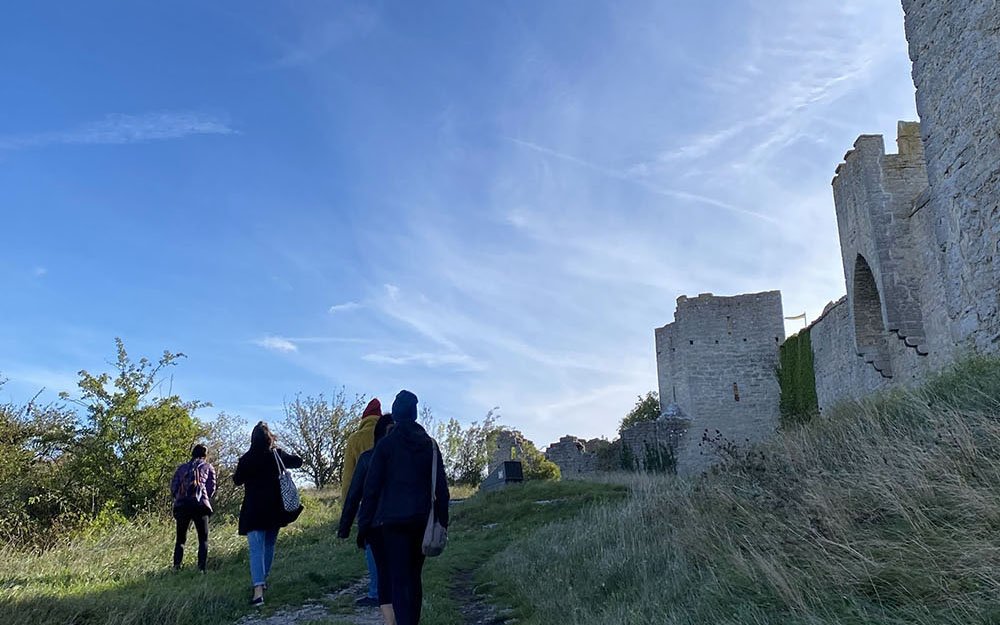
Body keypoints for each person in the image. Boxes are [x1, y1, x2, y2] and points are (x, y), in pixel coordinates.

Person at [358, 390, 449, 625]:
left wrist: (364, 525)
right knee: (414, 577)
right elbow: (441, 488)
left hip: (392, 522)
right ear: (415, 413)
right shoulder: (430, 445)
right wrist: (442, 522)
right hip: (421, 521)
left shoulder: (386, 446)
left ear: (396, 414)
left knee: (398, 579)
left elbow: (371, 488)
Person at [233, 421, 304, 607]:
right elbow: (298, 461)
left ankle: (258, 591)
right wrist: (278, 450)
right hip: (274, 510)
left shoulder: (246, 459)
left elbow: (237, 481)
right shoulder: (276, 455)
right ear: (269, 438)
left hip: (253, 510)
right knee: (269, 545)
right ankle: (263, 581)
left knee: (256, 550)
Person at [338, 413, 396, 625]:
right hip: (404, 520)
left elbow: (352, 491)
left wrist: (344, 527)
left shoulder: (360, 446)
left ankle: (380, 602)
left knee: (381, 567)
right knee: (402, 571)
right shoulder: (405, 456)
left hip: (375, 521)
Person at [341, 397, 383, 607]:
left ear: (364, 418)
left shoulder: (355, 439)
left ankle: (376, 591)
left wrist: (346, 507)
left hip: (365, 500)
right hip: (388, 498)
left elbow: (349, 476)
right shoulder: (388, 434)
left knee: (370, 544)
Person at [170, 444, 217, 573]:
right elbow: (211, 488)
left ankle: (176, 567)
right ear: (205, 455)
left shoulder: (182, 468)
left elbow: (174, 487)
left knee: (180, 539)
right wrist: (205, 498)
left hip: (183, 505)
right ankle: (201, 568)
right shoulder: (208, 467)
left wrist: (179, 498)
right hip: (200, 506)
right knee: (203, 539)